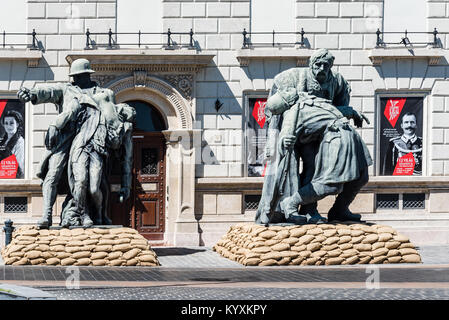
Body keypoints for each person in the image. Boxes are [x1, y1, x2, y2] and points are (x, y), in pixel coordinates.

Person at [255, 49, 369, 225]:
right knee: (316, 170)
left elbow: (338, 107)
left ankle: (334, 210)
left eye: (326, 65)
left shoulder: (334, 82)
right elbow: (287, 122)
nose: (322, 68)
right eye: (318, 65)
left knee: (359, 176)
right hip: (311, 133)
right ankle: (293, 205)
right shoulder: (294, 100)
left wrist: (350, 112)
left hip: (331, 132)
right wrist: (283, 138)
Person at [17, 58, 132, 228]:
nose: (76, 79)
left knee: (92, 181)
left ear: (87, 75)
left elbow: (112, 117)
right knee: (53, 173)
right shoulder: (67, 89)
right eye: (75, 76)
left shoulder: (103, 93)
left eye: (79, 76)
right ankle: (47, 215)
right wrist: (31, 93)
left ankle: (91, 213)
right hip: (65, 137)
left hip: (91, 139)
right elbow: (48, 91)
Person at [271, 91, 372, 223]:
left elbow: (334, 109)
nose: (290, 91)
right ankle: (290, 203)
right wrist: (285, 140)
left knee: (361, 177)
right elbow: (286, 132)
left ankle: (339, 210)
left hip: (351, 135)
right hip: (337, 137)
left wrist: (353, 113)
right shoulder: (293, 111)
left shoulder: (311, 101)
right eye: (286, 94)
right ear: (286, 102)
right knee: (331, 185)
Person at [0, 110, 25, 178]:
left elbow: (21, 168)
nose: (8, 126)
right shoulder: (2, 141)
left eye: (11, 123)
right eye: (6, 123)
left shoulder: (20, 143)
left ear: (17, 124)